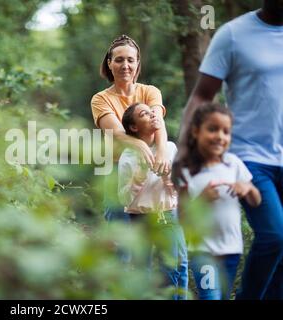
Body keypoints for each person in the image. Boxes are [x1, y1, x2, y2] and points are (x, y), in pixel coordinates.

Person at [177, 0, 283, 299]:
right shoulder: (234, 34)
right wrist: (185, 150)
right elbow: (201, 95)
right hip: (249, 157)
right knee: (275, 236)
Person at [173, 103, 261, 300]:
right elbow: (181, 216)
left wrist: (247, 188)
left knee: (221, 296)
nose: (220, 136)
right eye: (212, 129)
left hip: (231, 249)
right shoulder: (185, 170)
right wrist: (202, 199)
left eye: (226, 131)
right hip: (203, 250)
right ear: (196, 131)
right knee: (210, 297)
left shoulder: (233, 164)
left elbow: (256, 200)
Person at [91, 34, 170, 223]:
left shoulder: (150, 91)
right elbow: (117, 133)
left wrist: (162, 151)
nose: (125, 65)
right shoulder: (100, 99)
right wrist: (141, 146)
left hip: (152, 165)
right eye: (119, 60)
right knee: (120, 238)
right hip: (118, 168)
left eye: (130, 60)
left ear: (137, 63)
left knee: (153, 233)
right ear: (109, 63)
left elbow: (158, 122)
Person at [118, 103, 188, 300]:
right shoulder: (128, 156)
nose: (152, 116)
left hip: (168, 215)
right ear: (134, 127)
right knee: (142, 269)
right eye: (144, 114)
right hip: (140, 219)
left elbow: (179, 191)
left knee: (176, 265)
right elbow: (124, 198)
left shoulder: (171, 148)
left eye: (152, 112)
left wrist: (167, 178)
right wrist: (139, 176)